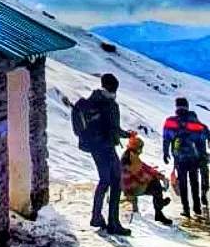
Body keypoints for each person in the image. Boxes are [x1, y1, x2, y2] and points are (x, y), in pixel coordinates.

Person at [73, 73, 133, 235]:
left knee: (104, 180)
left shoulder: (91, 100)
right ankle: (114, 223)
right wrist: (127, 135)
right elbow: (114, 129)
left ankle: (96, 216)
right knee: (116, 181)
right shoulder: (111, 105)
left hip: (93, 146)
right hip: (106, 146)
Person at [162, 96, 209, 217]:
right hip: (193, 157)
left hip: (179, 157)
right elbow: (201, 139)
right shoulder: (193, 121)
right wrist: (202, 156)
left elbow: (166, 138)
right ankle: (197, 207)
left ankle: (186, 209)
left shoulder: (171, 121)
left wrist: (166, 153)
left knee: (182, 182)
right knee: (194, 181)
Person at [121, 132, 173, 225]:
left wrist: (158, 174)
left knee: (155, 184)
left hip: (130, 185)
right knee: (155, 185)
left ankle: (159, 207)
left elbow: (145, 167)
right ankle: (159, 208)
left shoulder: (130, 154)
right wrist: (157, 177)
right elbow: (142, 176)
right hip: (131, 188)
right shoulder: (132, 157)